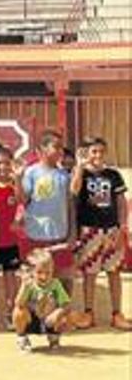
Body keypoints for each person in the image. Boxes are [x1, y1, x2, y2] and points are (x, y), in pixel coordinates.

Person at [70, 137, 131, 330]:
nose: (97, 156)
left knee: (114, 272)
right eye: (93, 151)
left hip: (111, 229)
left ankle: (117, 313)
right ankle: (89, 313)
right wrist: (79, 167)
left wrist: (122, 226)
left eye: (101, 151)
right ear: (86, 153)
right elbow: (74, 190)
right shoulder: (81, 173)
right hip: (89, 230)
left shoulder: (113, 175)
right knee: (90, 273)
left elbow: (121, 201)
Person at [17, 130, 75, 295]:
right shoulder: (30, 172)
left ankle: (61, 315)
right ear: (42, 149)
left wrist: (72, 233)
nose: (60, 151)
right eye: (55, 147)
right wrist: (17, 179)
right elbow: (22, 200)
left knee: (64, 277)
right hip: (35, 236)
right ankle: (35, 318)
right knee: (33, 278)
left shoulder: (64, 175)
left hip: (60, 236)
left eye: (61, 147)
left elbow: (71, 206)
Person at [0, 145, 23, 330]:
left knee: (11, 278)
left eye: (6, 163)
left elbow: (22, 202)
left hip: (10, 242)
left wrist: (17, 179)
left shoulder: (14, 185)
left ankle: (10, 313)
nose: (3, 167)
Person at [13, 249, 71, 353]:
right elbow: (18, 303)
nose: (44, 276)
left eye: (48, 272)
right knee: (18, 311)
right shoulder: (29, 285)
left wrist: (57, 313)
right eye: (39, 272)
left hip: (49, 320)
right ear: (31, 271)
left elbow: (66, 304)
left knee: (64, 315)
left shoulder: (56, 284)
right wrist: (24, 287)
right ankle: (22, 338)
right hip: (32, 321)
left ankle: (54, 337)